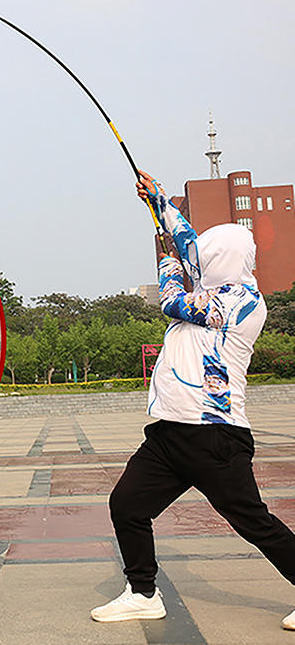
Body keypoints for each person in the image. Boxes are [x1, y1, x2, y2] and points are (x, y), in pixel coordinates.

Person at [91, 170, 295, 629]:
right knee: (127, 505)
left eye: (203, 257)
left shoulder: (242, 301)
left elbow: (173, 303)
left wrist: (167, 269)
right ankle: (143, 593)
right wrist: (159, 200)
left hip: (214, 438)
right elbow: (185, 242)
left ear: (221, 261)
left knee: (253, 522)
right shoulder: (214, 282)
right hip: (169, 434)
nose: (194, 259)